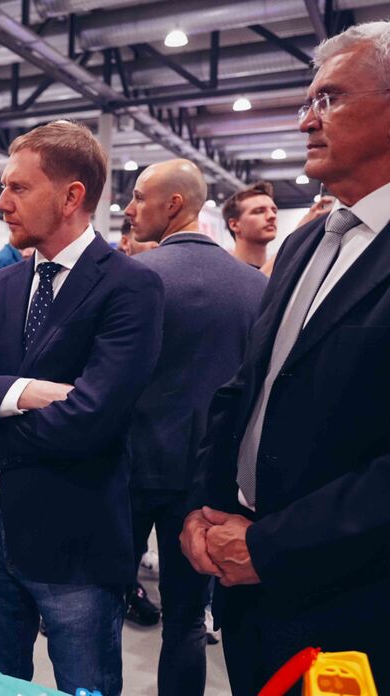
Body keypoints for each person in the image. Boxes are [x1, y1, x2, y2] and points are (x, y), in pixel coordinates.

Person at [180, 21, 390, 693]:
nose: (306, 120)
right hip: (249, 584)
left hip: (355, 600)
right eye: (308, 102)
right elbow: (245, 389)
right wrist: (203, 507)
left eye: (330, 98)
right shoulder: (305, 245)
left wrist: (270, 547)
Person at [0, 121, 164, 695]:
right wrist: (21, 393)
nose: (1, 202)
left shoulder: (130, 287)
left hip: (76, 544)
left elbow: (90, 420)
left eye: (18, 188)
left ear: (71, 195)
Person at [124, 159, 266, 695]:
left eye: (140, 197)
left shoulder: (137, 279)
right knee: (186, 622)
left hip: (131, 470)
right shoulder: (254, 287)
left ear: (174, 204)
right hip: (209, 482)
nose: (130, 209)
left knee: (102, 607)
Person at [223, 181, 278, 270]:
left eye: (274, 211)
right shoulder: (224, 272)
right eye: (259, 211)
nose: (272, 216)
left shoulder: (280, 272)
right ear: (234, 225)